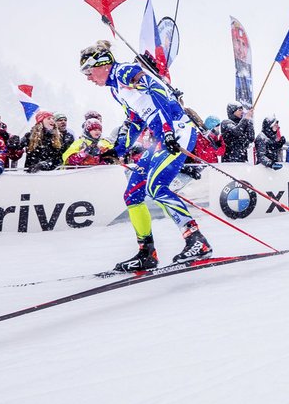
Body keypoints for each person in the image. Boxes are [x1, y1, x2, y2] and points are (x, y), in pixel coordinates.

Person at [79, 39, 211, 271]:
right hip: (161, 136)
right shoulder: (116, 90)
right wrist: (118, 150)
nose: (88, 78)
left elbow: (158, 89)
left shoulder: (125, 72)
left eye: (88, 71)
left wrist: (168, 130)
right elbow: (135, 121)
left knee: (156, 187)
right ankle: (146, 253)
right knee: (132, 194)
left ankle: (196, 240)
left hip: (177, 130)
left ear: (102, 64)